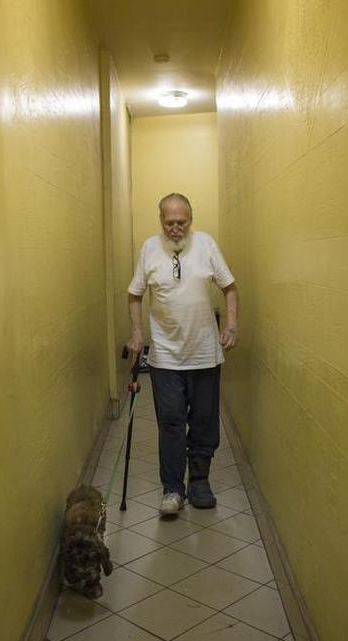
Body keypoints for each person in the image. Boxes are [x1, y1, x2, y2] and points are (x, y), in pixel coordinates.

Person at [126, 193, 239, 515]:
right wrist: (137, 334)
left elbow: (230, 287)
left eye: (182, 222)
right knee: (172, 423)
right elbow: (134, 296)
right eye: (169, 222)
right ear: (161, 221)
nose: (175, 228)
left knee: (203, 421)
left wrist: (232, 323)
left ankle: (200, 480)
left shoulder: (206, 244)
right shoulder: (149, 248)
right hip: (164, 356)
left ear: (191, 219)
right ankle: (173, 489)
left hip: (204, 352)